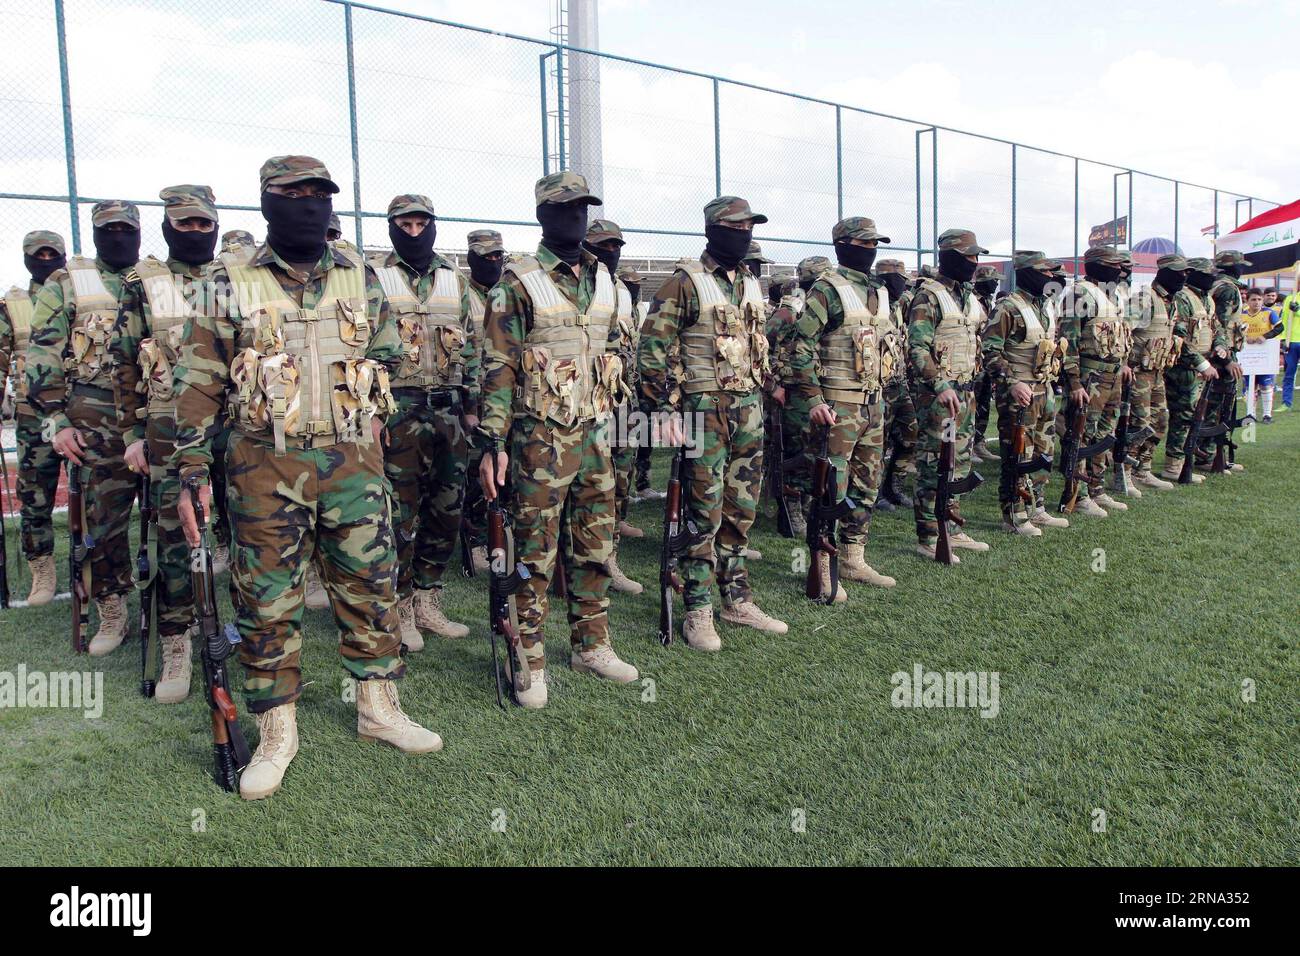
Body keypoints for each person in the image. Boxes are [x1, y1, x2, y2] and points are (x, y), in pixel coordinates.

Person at [172, 155, 442, 801]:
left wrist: (372, 422)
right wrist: (190, 469)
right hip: (262, 463)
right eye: (291, 194)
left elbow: (384, 356)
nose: (307, 204)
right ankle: (276, 729)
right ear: (266, 203)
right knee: (267, 598)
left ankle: (379, 709)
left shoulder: (360, 276)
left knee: (370, 586)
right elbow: (199, 379)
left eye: (318, 194)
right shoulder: (226, 280)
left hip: (352, 461)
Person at [477, 171, 640, 708]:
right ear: (543, 215)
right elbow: (498, 366)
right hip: (538, 441)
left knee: (595, 543)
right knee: (535, 551)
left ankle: (591, 643)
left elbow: (614, 350)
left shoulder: (606, 280)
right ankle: (530, 655)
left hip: (596, 435)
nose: (576, 217)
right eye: (564, 208)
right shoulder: (518, 282)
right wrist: (493, 441)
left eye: (583, 208)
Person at [639, 196, 788, 650]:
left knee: (741, 510)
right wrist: (663, 408)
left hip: (748, 410)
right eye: (735, 227)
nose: (744, 234)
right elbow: (651, 348)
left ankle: (736, 597)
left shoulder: (748, 282)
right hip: (703, 415)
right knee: (703, 513)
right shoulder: (685, 283)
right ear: (713, 230)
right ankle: (698, 608)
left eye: (750, 227)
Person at [114, 184, 222, 701]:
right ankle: (177, 643)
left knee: (248, 532)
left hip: (236, 425)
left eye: (204, 223)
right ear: (167, 227)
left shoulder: (234, 279)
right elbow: (121, 362)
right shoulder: (143, 283)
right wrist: (132, 433)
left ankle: (238, 634)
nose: (196, 232)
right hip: (167, 428)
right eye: (186, 224)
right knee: (177, 538)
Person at [26, 201, 144, 653]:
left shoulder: (155, 279)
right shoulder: (67, 283)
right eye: (108, 229)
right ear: (95, 232)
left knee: (169, 522)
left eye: (125, 228)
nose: (117, 236)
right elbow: (42, 355)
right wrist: (56, 420)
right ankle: (111, 609)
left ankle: (173, 615)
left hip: (152, 417)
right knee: (103, 521)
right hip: (94, 420)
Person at [371, 194, 478, 648]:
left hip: (450, 408)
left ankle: (427, 599)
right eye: (405, 225)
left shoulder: (456, 281)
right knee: (400, 511)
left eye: (421, 224)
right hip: (398, 407)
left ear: (433, 226)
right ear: (392, 227)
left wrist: (473, 404)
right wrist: (372, 415)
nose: (414, 232)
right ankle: (399, 604)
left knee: (447, 507)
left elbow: (474, 345)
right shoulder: (374, 277)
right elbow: (362, 348)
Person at [789, 216, 899, 591]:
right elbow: (800, 344)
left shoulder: (879, 292)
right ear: (844, 244)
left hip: (873, 405)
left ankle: (853, 557)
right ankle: (822, 560)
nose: (871, 251)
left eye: (875, 245)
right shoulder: (828, 290)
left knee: (867, 483)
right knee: (829, 486)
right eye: (865, 244)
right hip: (838, 405)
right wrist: (814, 398)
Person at [905, 229, 992, 562]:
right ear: (951, 256)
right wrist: (939, 385)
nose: (974, 262)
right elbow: (917, 347)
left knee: (961, 461)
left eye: (976, 256)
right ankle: (929, 534)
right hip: (939, 396)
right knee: (934, 462)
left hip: (966, 391)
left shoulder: (969, 297)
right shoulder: (929, 296)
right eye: (969, 256)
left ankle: (952, 527)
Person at [982, 251, 1077, 534]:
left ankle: (1037, 507)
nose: (1050, 277)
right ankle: (1014, 512)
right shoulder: (1008, 308)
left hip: (1044, 391)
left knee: (1043, 452)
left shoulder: (1047, 307)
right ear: (1026, 273)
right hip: (1019, 394)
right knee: (1018, 454)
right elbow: (989, 351)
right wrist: (1011, 382)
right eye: (1044, 272)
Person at [0, 230, 66, 606]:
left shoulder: (77, 296)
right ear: (27, 258)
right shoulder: (14, 305)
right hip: (31, 420)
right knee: (35, 496)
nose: (45, 259)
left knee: (91, 498)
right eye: (38, 254)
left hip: (78, 417)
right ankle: (41, 567)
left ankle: (90, 565)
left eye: (51, 253)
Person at [1061, 245, 1135, 513]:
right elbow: (1067, 343)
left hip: (1112, 376)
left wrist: (1123, 363)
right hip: (1090, 377)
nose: (1120, 270)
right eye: (1113, 266)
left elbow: (1119, 337)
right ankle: (1077, 495)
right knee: (1082, 434)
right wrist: (1074, 382)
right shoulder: (1079, 294)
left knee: (1104, 434)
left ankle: (1097, 487)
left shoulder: (1112, 298)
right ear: (1099, 266)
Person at [765, 255, 831, 533]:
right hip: (791, 393)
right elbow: (758, 347)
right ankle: (790, 511)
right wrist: (772, 386)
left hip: (815, 389)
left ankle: (804, 505)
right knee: (795, 453)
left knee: (814, 452)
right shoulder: (789, 310)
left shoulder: (823, 307)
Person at [460, 228, 505, 573]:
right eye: (485, 256)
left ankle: (499, 535)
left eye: (496, 256)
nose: (492, 262)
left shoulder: (507, 293)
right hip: (473, 400)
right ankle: (475, 540)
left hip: (503, 400)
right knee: (477, 475)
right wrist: (469, 407)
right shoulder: (464, 295)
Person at [1125, 254, 1190, 490]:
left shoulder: (1171, 301)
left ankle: (1143, 468)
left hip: (1157, 372)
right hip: (1139, 372)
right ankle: (1125, 471)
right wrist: (1124, 365)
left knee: (1160, 421)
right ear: (1165, 273)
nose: (1183, 277)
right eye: (1179, 272)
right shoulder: (1145, 299)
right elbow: (1124, 331)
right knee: (1139, 423)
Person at [1160, 257, 1221, 483]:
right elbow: (1179, 338)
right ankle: (1173, 465)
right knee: (1183, 416)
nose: (1212, 277)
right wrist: (1201, 363)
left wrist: (1221, 347)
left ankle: (1186, 461)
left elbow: (1217, 327)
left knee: (1194, 415)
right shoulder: (1184, 298)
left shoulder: (1207, 300)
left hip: (1203, 365)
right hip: (1183, 367)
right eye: (1207, 274)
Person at [872, 259, 918, 513]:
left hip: (899, 384)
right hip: (879, 386)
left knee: (911, 434)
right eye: (900, 280)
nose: (904, 286)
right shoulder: (872, 303)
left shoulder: (898, 306)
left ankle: (894, 486)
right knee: (878, 442)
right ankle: (876, 491)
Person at [969, 263, 1001, 463]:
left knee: (983, 404)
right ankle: (968, 445)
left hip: (985, 362)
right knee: (971, 404)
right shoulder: (971, 300)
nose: (996, 284)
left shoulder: (988, 303)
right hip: (972, 361)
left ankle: (979, 442)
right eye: (994, 280)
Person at [1241, 288, 1282, 421]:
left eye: (1259, 299)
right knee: (1250, 385)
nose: (1257, 302)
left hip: (1265, 353)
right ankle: (1251, 414)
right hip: (1248, 354)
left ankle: (1267, 414)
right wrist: (1243, 337)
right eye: (1253, 299)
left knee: (1266, 385)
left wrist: (1265, 336)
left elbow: (1280, 327)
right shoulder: (1242, 315)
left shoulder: (1269, 313)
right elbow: (1235, 331)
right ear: (1247, 301)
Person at [1277, 284, 1300, 411]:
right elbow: (1285, 320)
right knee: (1289, 374)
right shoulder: (1290, 299)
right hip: (1291, 342)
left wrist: (1298, 311)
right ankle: (1286, 403)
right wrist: (1283, 338)